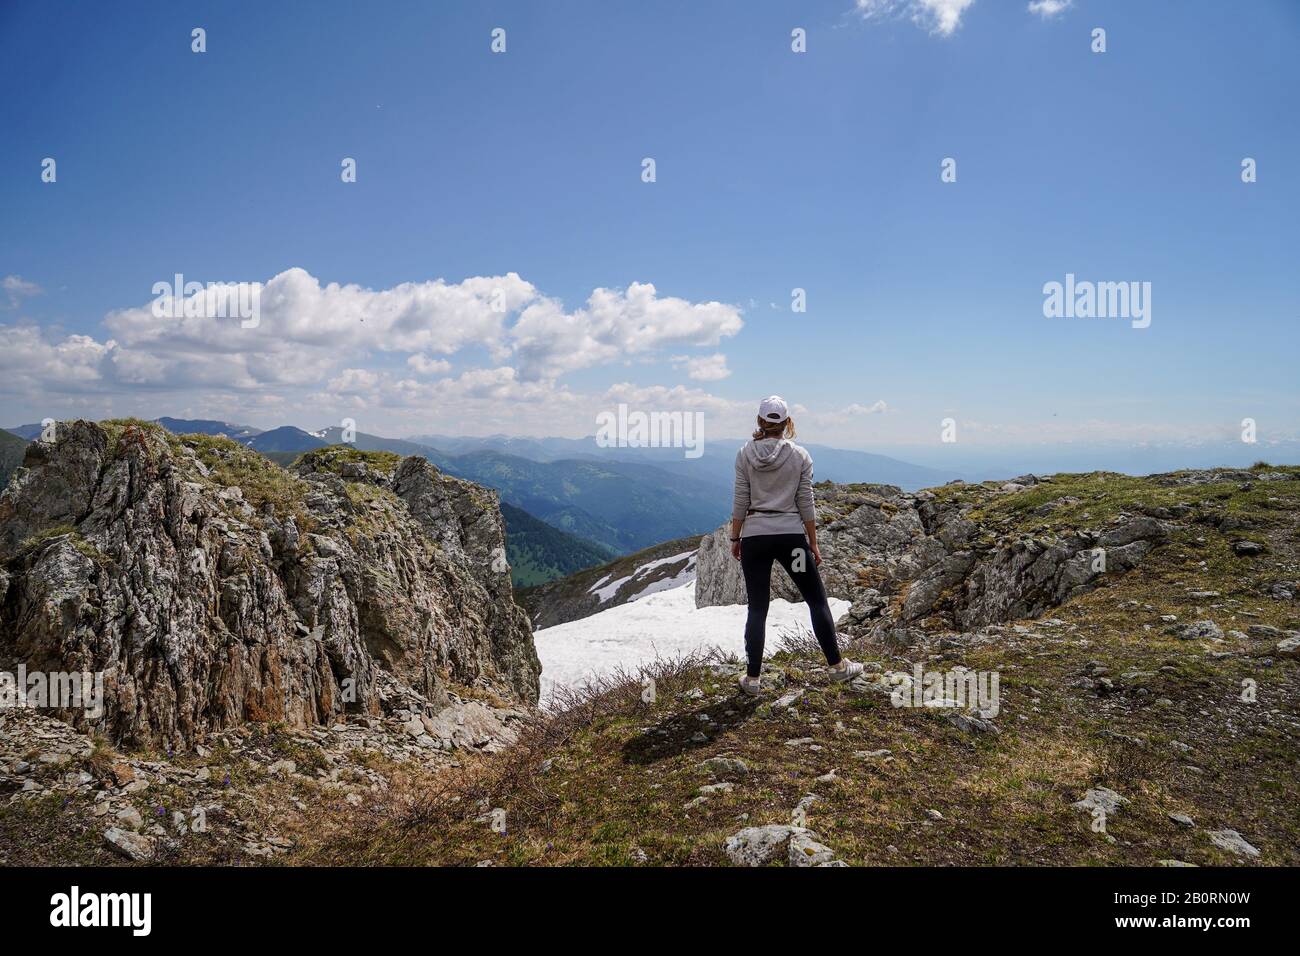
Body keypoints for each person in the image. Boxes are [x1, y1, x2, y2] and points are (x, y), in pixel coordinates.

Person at [730, 395, 863, 695]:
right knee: (816, 599)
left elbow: (740, 502)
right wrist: (812, 543)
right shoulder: (800, 456)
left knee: (758, 608)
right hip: (791, 540)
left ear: (760, 422)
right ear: (788, 423)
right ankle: (837, 668)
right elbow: (806, 503)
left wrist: (736, 538)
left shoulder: (743, 455)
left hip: (755, 540)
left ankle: (752, 680)